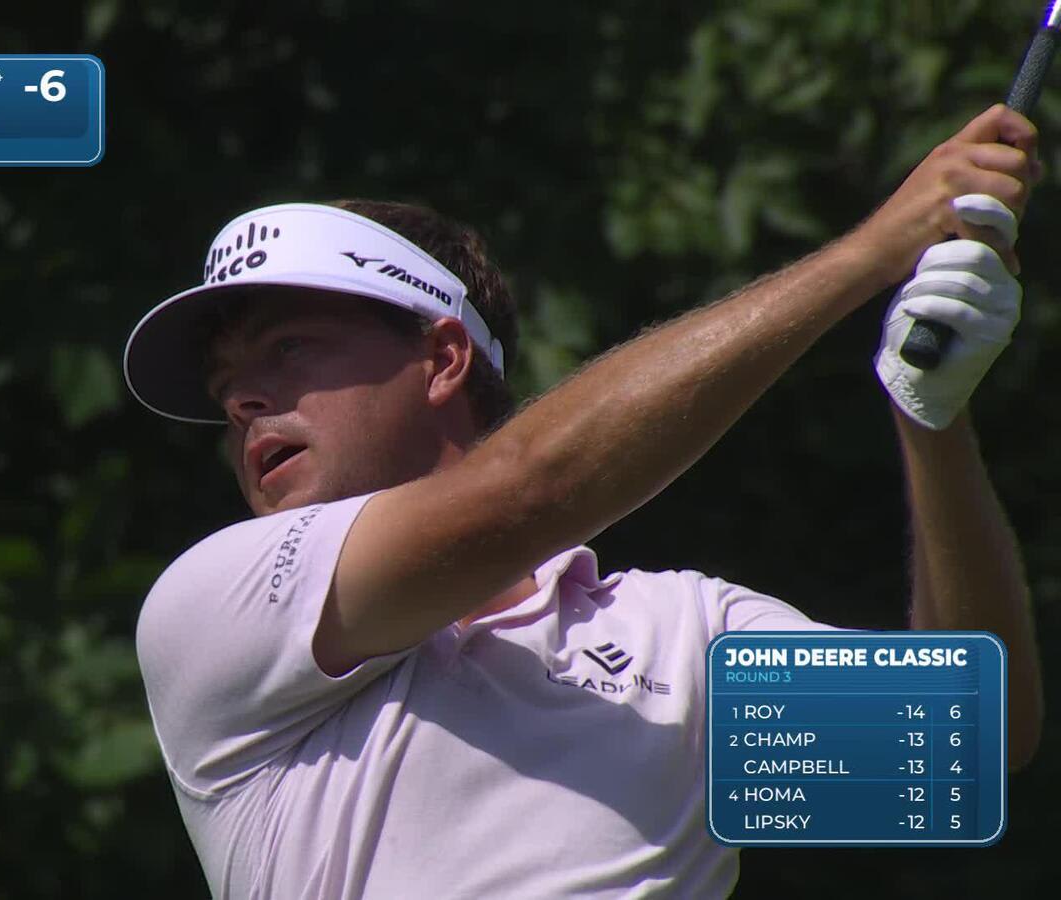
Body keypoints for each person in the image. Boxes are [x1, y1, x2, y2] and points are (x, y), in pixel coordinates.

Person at [122, 104, 1045, 898]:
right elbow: (531, 489)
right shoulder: (220, 607)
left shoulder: (680, 640)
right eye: (227, 385)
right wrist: (873, 253)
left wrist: (933, 422)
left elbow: (964, 741)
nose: (244, 401)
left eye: (288, 348)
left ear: (444, 361)